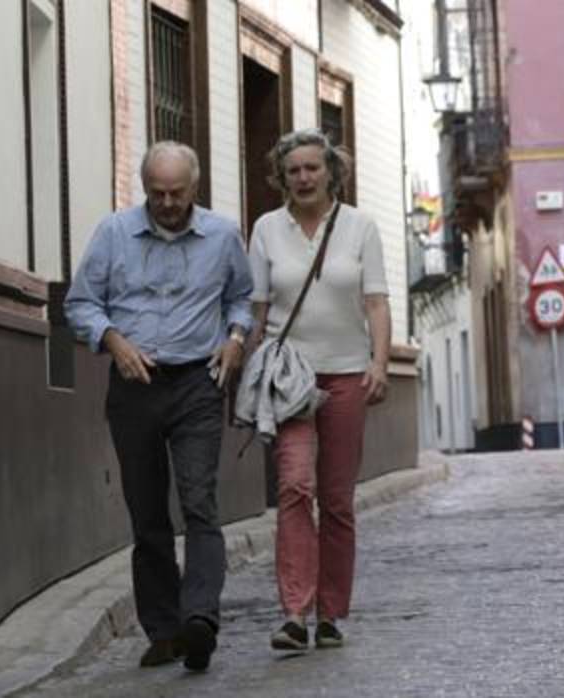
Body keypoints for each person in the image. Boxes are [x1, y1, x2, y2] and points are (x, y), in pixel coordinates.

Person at [65, 141, 254, 671]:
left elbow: (240, 298)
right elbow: (80, 303)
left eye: (177, 192)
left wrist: (236, 338)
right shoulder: (113, 234)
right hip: (135, 385)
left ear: (195, 187)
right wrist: (114, 342)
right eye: (157, 193)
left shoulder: (222, 235)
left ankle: (200, 620)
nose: (167, 203)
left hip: (198, 381)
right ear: (144, 187)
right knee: (147, 513)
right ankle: (164, 630)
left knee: (199, 503)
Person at [247, 129, 390, 651]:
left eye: (312, 168)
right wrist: (246, 372)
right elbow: (258, 311)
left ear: (331, 171)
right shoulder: (266, 229)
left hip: (348, 374)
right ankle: (293, 612)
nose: (304, 178)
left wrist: (378, 362)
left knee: (335, 499)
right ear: (281, 178)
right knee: (293, 487)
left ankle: (330, 613)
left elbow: (376, 301)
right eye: (293, 171)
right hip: (290, 379)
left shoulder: (360, 227)